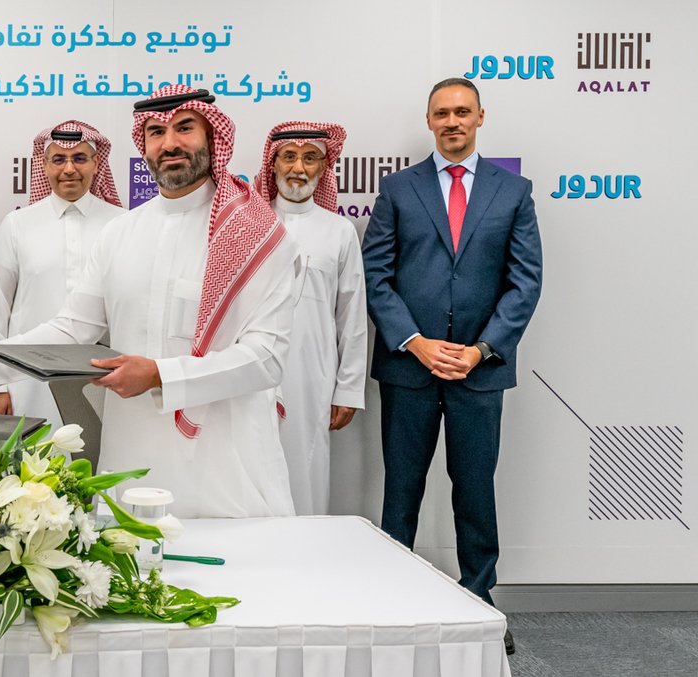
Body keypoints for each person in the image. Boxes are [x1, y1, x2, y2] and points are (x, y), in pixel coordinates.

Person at [0, 86, 300, 518]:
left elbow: (266, 358)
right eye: (156, 132)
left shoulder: (256, 233)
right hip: (131, 455)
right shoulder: (121, 233)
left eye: (184, 128)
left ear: (212, 136)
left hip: (225, 464)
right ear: (143, 144)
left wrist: (159, 376)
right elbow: (72, 329)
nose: (169, 143)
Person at [363, 78, 542, 653]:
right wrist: (414, 342)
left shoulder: (513, 191)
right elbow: (376, 276)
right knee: (401, 490)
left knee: (475, 490)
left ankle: (479, 603)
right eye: (442, 113)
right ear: (429, 121)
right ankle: (393, 602)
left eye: (463, 111)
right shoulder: (398, 189)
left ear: (480, 117)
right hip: (409, 369)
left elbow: (525, 282)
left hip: (479, 371)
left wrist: (481, 349)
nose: (452, 121)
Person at [252, 121, 367, 515]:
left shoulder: (340, 231)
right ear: (273, 164)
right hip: (251, 372)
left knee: (307, 468)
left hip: (312, 375)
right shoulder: (250, 225)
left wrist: (347, 390)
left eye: (309, 158)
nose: (298, 168)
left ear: (324, 167)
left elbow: (352, 315)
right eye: (289, 156)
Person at [0, 120, 124, 425]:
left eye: (79, 158)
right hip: (26, 380)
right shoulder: (17, 225)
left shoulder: (120, 224)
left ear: (96, 163)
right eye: (59, 159)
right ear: (44, 165)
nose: (69, 169)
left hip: (102, 379)